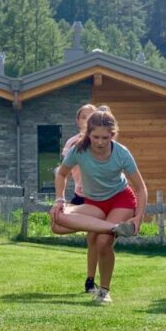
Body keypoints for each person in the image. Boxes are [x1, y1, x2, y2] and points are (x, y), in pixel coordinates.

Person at [50, 110, 148, 305]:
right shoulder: (78, 150)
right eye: (95, 137)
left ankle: (104, 291)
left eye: (106, 137)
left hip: (121, 199)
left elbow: (140, 188)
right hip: (94, 203)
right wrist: (59, 199)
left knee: (103, 242)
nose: (100, 142)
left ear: (113, 134)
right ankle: (113, 228)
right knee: (57, 221)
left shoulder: (121, 153)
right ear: (88, 134)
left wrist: (138, 217)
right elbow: (61, 174)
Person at [61, 103, 99, 295]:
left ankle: (91, 281)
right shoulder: (72, 143)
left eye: (91, 116)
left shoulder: (101, 142)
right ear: (78, 121)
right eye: (84, 117)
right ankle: (92, 225)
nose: (87, 120)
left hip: (99, 197)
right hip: (80, 195)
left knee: (95, 239)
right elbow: (64, 171)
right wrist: (60, 197)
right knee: (57, 226)